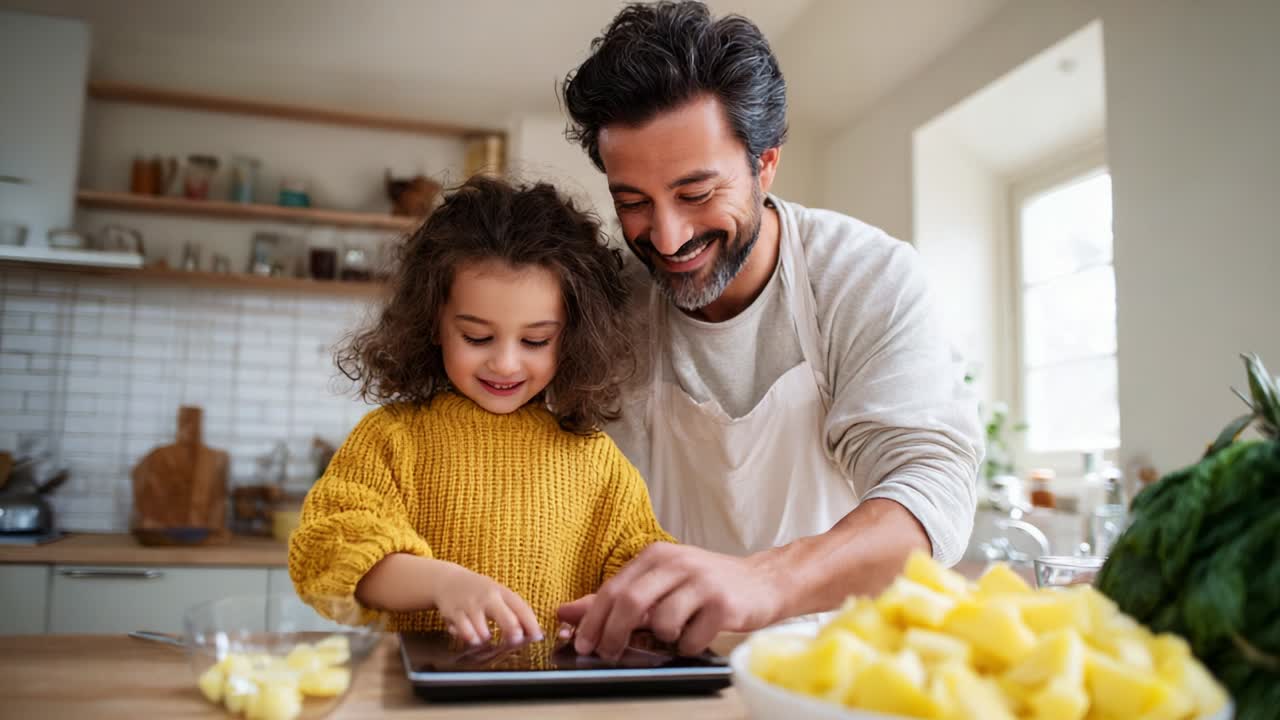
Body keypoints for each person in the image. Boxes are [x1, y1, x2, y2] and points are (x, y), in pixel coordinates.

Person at [555, 1, 983, 659]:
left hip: (832, 666)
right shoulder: (612, 303)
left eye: (697, 193)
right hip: (652, 668)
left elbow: (928, 492)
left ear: (766, 165)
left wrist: (761, 579)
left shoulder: (865, 277)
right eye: (632, 202)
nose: (667, 237)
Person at [289, 176, 675, 647]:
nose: (506, 363)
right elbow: (328, 547)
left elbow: (646, 569)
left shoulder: (596, 461)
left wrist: (635, 609)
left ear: (571, 336)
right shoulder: (392, 438)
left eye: (536, 340)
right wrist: (439, 583)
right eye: (477, 337)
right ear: (434, 322)